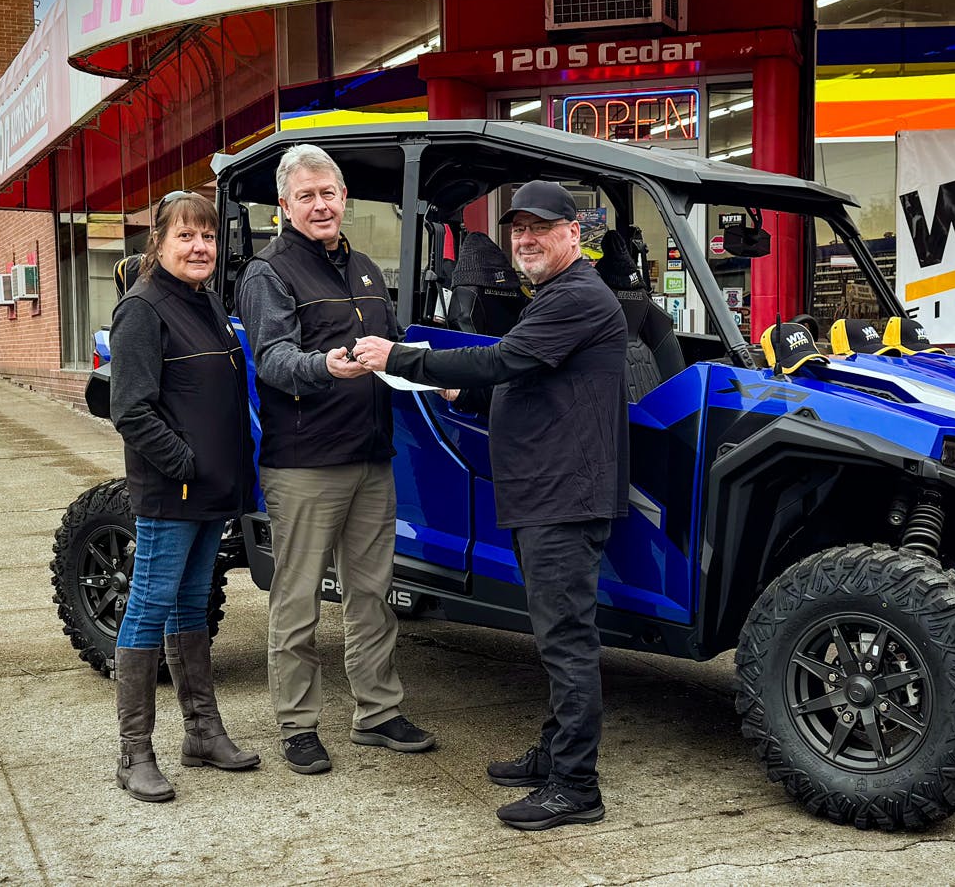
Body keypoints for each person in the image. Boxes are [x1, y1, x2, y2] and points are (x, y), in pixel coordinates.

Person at [351, 180, 629, 831]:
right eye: (517, 230)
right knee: (554, 637)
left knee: (567, 642)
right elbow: (531, 380)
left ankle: (575, 787)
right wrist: (463, 395)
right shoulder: (555, 296)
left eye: (541, 228)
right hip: (547, 492)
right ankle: (553, 754)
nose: (526, 240)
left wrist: (406, 358)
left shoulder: (580, 296)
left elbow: (505, 360)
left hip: (564, 497)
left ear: (572, 234)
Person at [236, 144, 434, 776]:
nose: (320, 205)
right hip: (304, 464)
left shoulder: (368, 270)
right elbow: (271, 360)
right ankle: (297, 724)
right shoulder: (269, 274)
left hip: (373, 457)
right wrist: (325, 366)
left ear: (343, 198)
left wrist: (435, 373)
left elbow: (393, 346)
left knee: (373, 593)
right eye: (306, 196)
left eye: (329, 194)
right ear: (284, 205)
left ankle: (377, 712)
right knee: (296, 601)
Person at [108, 190, 260, 803]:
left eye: (207, 237)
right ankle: (133, 752)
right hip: (173, 492)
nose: (200, 248)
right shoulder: (142, 310)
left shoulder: (205, 301)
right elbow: (132, 410)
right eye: (185, 237)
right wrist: (186, 466)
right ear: (159, 243)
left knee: (192, 607)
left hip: (211, 491)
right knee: (149, 608)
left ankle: (201, 732)